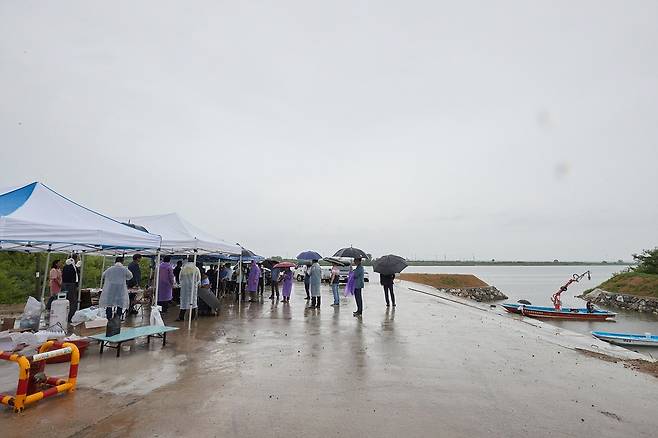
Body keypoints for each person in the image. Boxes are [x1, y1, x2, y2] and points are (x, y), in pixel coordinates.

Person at [177, 255, 201, 321]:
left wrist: (183, 284)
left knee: (183, 302)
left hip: (184, 288)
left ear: (188, 260)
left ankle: (181, 317)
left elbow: (180, 278)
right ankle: (191, 318)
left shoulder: (183, 268)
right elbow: (199, 279)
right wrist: (195, 284)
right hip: (193, 288)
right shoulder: (196, 269)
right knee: (192, 303)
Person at [61, 256, 80, 321]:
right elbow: (76, 275)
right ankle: (70, 317)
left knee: (65, 300)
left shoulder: (65, 266)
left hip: (64, 284)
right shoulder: (73, 267)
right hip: (71, 285)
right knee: (72, 301)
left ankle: (64, 316)